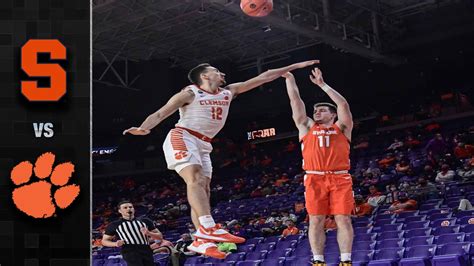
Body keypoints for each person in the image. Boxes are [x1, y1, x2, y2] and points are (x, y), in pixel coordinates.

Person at [123, 60, 318, 258]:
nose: (222, 73)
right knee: (196, 179)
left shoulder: (229, 91)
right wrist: (144, 128)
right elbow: (162, 112)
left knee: (203, 192)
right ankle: (208, 227)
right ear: (205, 76)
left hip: (204, 144)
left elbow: (264, 76)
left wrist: (294, 66)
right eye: (216, 71)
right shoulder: (190, 93)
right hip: (183, 136)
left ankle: (201, 240)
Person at [282, 68, 354, 266]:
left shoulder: (342, 127)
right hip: (314, 178)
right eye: (315, 110)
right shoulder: (306, 126)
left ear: (333, 115)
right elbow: (295, 102)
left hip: (340, 177)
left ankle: (346, 261)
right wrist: (289, 79)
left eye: (322, 110)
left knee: (343, 219)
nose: (316, 112)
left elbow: (343, 104)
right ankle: (318, 261)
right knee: (315, 221)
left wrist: (322, 85)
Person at [101, 201, 163, 266]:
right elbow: (104, 241)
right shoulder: (114, 224)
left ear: (134, 209)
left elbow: (160, 236)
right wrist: (115, 244)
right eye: (125, 207)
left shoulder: (145, 221)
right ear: (120, 211)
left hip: (146, 249)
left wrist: (149, 233)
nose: (128, 209)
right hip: (130, 250)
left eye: (130, 207)